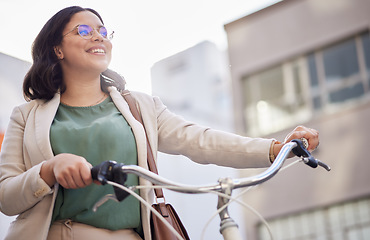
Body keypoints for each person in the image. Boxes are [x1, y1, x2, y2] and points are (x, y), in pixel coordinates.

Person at [0, 6, 319, 240]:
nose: (98, 36)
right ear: (57, 48)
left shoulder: (140, 107)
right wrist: (48, 170)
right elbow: (6, 196)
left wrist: (278, 147)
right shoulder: (26, 116)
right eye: (84, 31)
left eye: (102, 30)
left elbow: (201, 140)